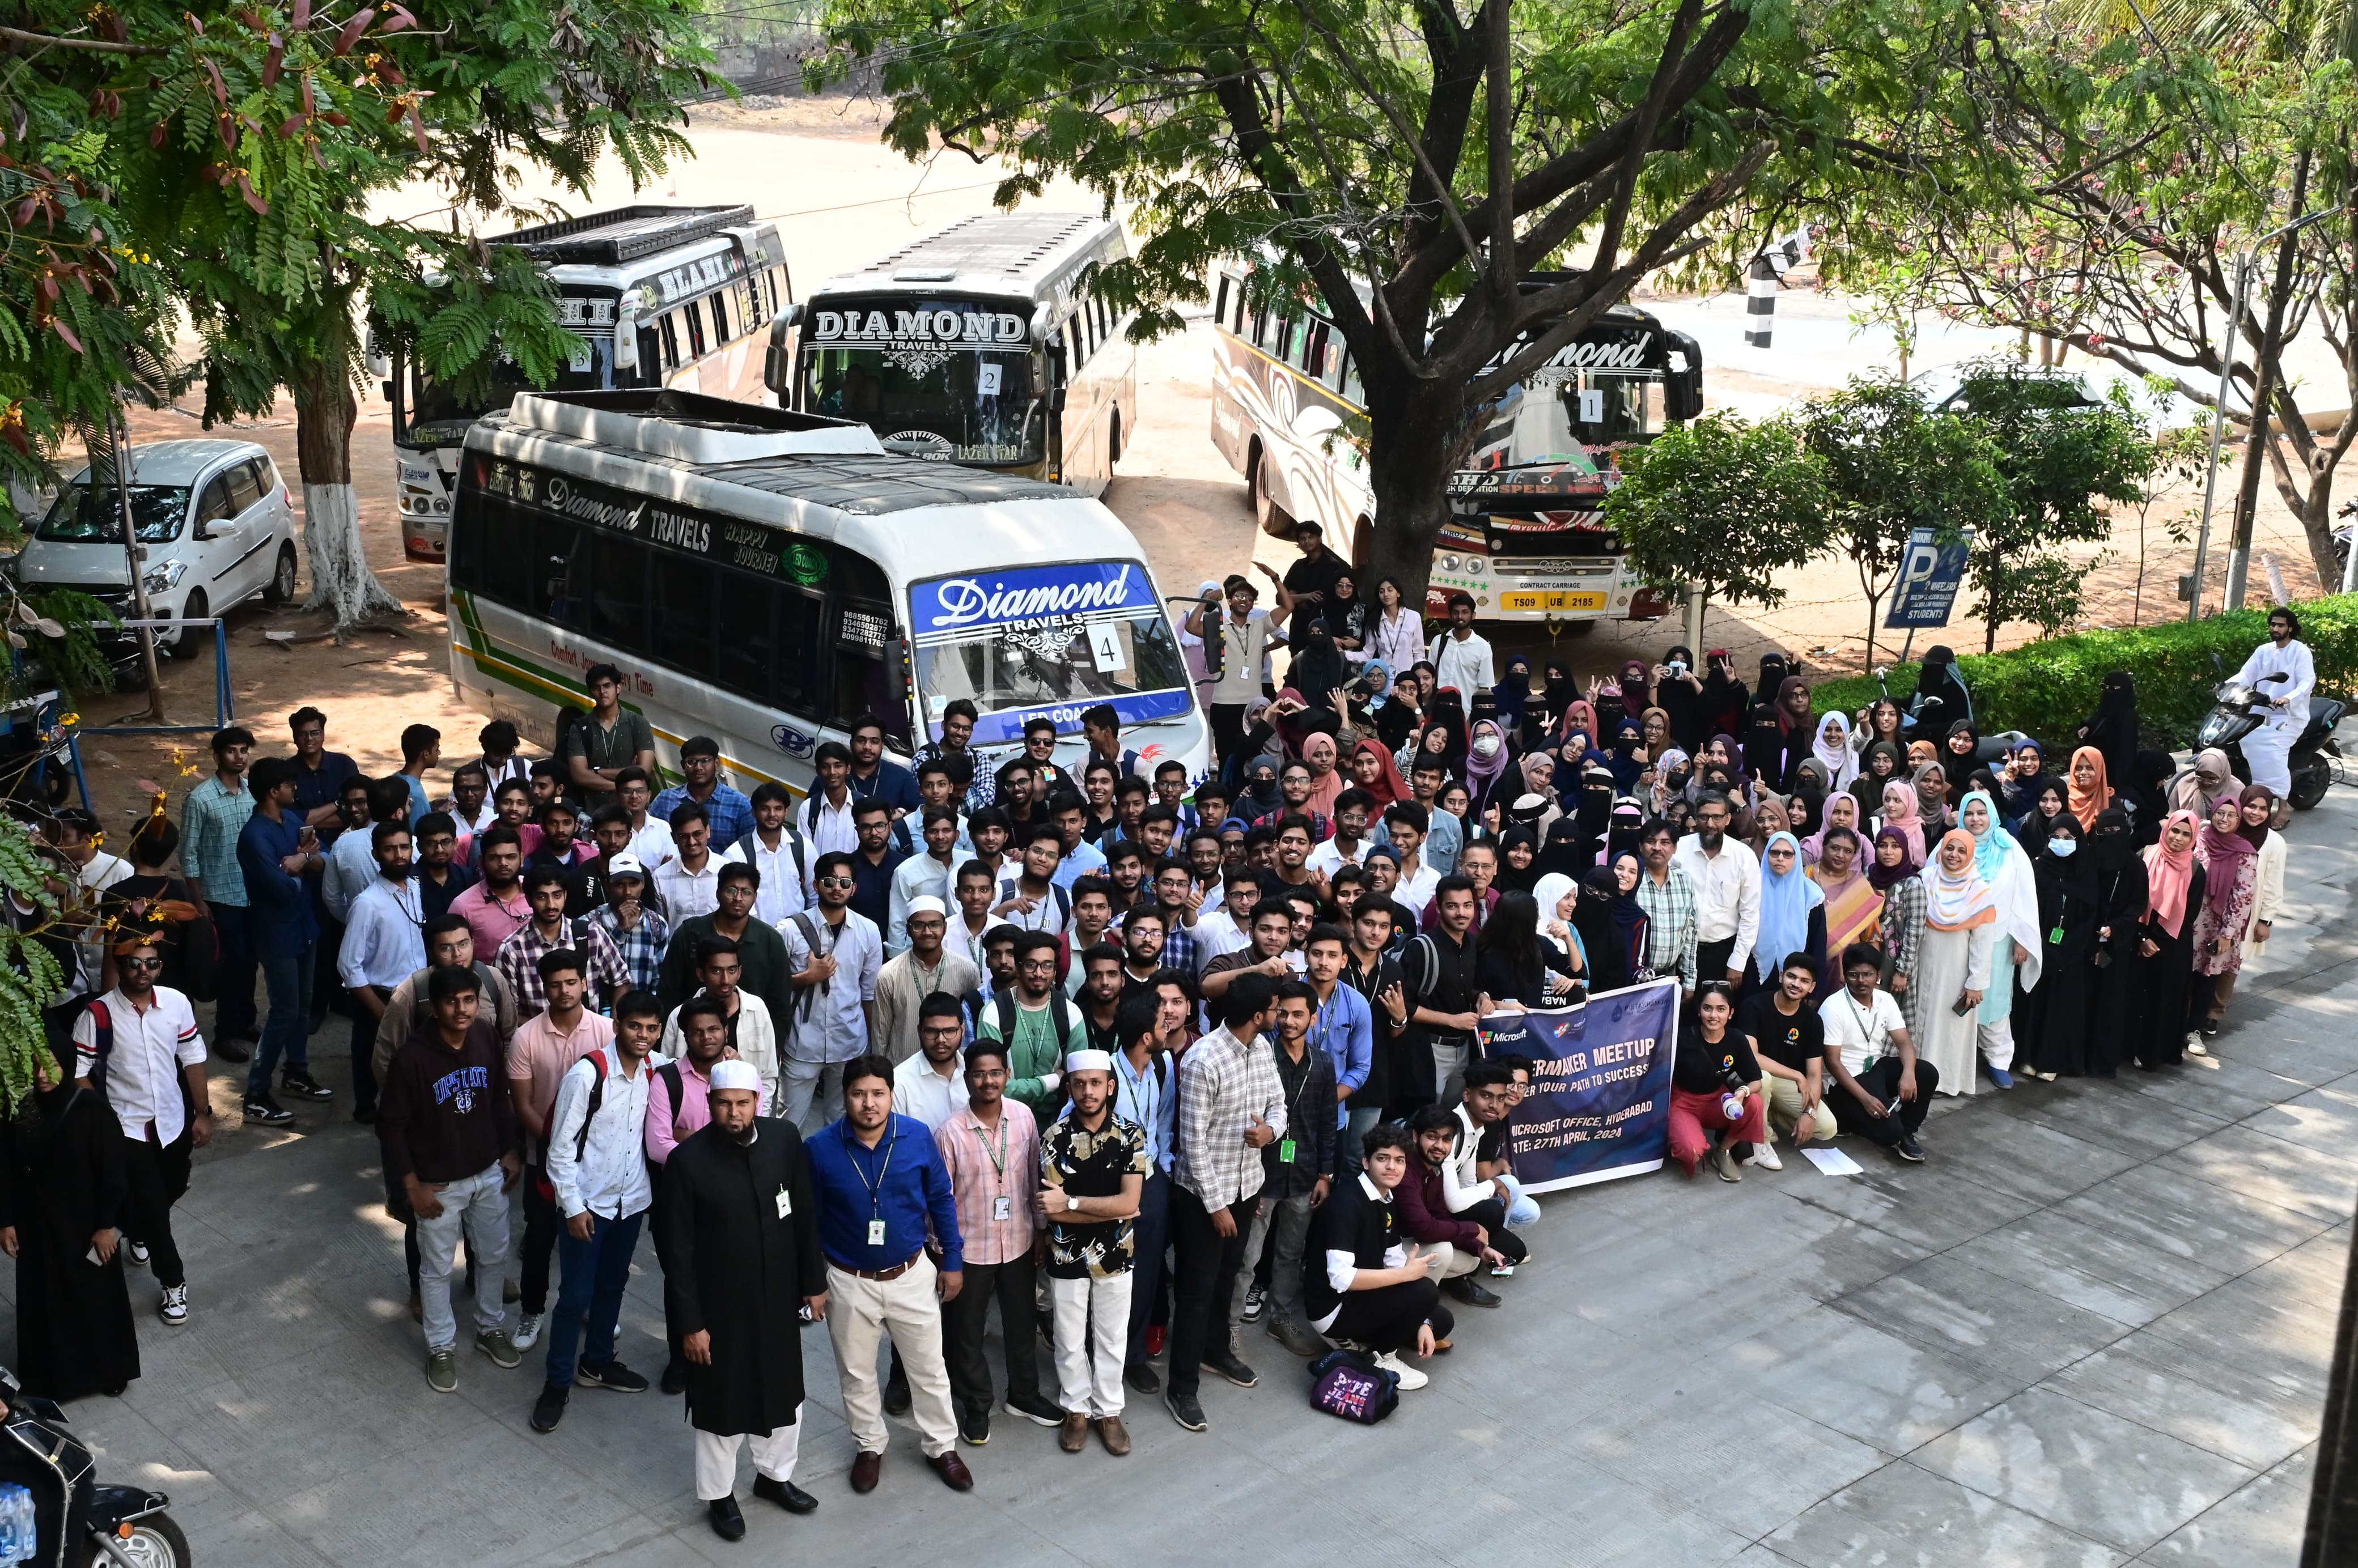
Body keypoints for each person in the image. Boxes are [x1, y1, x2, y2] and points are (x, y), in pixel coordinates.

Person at [663, 1058, 825, 1541]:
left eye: (742, 1103)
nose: (734, 1113)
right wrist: (691, 1324)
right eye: (724, 1103)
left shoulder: (783, 1140)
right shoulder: (686, 1163)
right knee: (721, 1408)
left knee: (785, 1393)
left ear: (759, 1101)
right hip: (720, 1311)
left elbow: (803, 1216)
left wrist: (813, 1283)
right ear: (709, 1103)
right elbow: (678, 1254)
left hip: (777, 1302)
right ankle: (720, 1495)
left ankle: (774, 1477)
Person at [803, 1055, 974, 1493]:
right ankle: (869, 1445)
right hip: (848, 1278)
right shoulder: (821, 1148)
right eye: (859, 1093)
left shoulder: (916, 1137)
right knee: (856, 1372)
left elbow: (942, 1200)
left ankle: (941, 1444)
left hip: (911, 1272)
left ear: (891, 1094)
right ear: (845, 1096)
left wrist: (951, 1260)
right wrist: (812, 1283)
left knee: (929, 1367)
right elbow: (807, 1221)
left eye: (878, 1093)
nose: (868, 1103)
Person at [377, 966, 521, 1392]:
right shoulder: (413, 1058)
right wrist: (412, 1186)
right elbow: (391, 1126)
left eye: (469, 1000)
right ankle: (441, 1346)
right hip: (439, 1183)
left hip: (487, 1172)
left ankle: (490, 1327)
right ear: (435, 1007)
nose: (461, 1009)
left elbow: (499, 1098)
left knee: (494, 1256)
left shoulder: (484, 1036)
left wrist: (511, 1150)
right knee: (437, 1269)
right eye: (451, 1001)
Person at [529, 981, 657, 1433]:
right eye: (635, 1025)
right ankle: (557, 1382)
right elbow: (559, 1150)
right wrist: (573, 1207)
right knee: (574, 1297)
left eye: (652, 1028)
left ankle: (598, 1363)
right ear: (617, 1024)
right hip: (588, 1207)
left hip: (631, 1203)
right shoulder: (587, 1075)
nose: (643, 1035)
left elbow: (698, 1072)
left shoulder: (655, 1071)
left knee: (613, 1286)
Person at [1164, 973, 1287, 1431]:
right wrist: (1216, 1207)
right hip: (1203, 1197)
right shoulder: (1203, 1059)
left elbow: (1279, 1104)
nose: (1278, 1015)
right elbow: (1191, 1142)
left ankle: (1216, 1352)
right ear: (1258, 1016)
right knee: (1195, 1293)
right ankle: (1182, 1386)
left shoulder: (1263, 1049)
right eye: (1274, 1008)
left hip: (1246, 1186)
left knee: (1228, 1277)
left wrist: (1270, 1132)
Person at [70, 934, 209, 1329]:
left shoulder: (177, 1004)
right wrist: (104, 1119)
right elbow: (78, 1074)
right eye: (134, 963)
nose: (143, 970)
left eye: (151, 963)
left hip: (173, 1123)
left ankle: (135, 1228)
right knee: (154, 1208)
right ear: (119, 965)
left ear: (160, 968)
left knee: (172, 1188)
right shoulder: (97, 1015)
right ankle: (173, 1281)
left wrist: (203, 1112)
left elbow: (193, 1057)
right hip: (127, 1130)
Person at [932, 1036, 1057, 1446]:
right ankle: (976, 1404)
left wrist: (1041, 1230)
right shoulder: (950, 1133)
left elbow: (1034, 1179)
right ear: (967, 1078)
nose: (988, 1080)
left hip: (1018, 1241)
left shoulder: (1023, 1118)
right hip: (972, 1250)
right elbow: (940, 1200)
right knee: (967, 1333)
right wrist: (945, 1256)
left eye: (995, 1072)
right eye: (979, 1073)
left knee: (1021, 1323)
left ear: (1007, 1074)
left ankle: (1024, 1394)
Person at [0, 1036, 139, 1399]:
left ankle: (109, 1371)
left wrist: (107, 1226)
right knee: (45, 1301)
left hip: (85, 1226)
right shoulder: (22, 1109)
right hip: (37, 1225)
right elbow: (7, 1169)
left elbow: (113, 1173)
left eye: (52, 1065)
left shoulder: (91, 1112)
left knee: (95, 1298)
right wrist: (6, 1220)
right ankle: (52, 1381)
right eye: (36, 1065)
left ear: (68, 1064)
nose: (43, 1075)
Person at [1036, 1043, 1151, 1455]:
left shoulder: (1131, 1135)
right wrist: (1081, 1211)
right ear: (1069, 1086)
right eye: (1080, 1083)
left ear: (1110, 1086)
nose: (1088, 1091)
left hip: (1116, 1256)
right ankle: (1076, 1408)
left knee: (1111, 1336)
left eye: (1096, 1083)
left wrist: (1070, 1204)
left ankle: (1108, 1410)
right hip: (1066, 1255)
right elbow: (1051, 1213)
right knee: (1068, 1337)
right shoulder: (1053, 1137)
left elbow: (1130, 1204)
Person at [1304, 1123, 1452, 1391]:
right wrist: (1407, 1277)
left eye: (1399, 1161)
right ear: (1366, 1162)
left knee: (1440, 1320)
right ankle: (1382, 1358)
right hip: (1333, 1309)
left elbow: (1394, 1258)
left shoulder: (1386, 1197)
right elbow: (1341, 1278)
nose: (1391, 1167)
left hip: (1363, 1298)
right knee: (1425, 1291)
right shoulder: (1347, 1202)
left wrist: (1420, 1319)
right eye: (1382, 1159)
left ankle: (1367, 1344)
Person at [1239, 980, 1337, 1357]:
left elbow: (1329, 1121)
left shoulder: (1324, 1063)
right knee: (1248, 1253)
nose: (1289, 1020)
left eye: (1299, 1014)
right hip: (1260, 1175)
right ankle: (1228, 1324)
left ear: (1314, 1018)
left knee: (1291, 1252)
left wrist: (1326, 1174)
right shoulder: (1261, 1057)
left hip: (1304, 1173)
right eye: (1284, 1012)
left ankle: (1280, 1316)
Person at [237, 757, 327, 1125]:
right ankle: (256, 1093)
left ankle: (296, 1072)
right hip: (276, 935)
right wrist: (303, 862)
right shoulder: (253, 836)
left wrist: (303, 857)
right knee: (283, 1011)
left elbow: (319, 864)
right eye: (290, 784)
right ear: (274, 791)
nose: (296, 788)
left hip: (305, 926)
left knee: (303, 1005)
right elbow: (284, 887)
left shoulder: (292, 821)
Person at [778, 852, 884, 1131]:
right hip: (802, 1042)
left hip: (849, 1041)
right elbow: (771, 984)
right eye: (829, 880)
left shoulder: (869, 931)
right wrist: (807, 977)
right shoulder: (789, 929)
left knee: (841, 1122)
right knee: (789, 1121)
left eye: (845, 882)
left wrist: (873, 1046)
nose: (837, 887)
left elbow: (869, 993)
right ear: (815, 885)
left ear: (854, 889)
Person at [339, 821, 429, 1124]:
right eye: (390, 849)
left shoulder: (415, 888)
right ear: (377, 855)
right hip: (381, 995)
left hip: (417, 991)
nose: (399, 855)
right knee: (372, 1058)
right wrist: (380, 1009)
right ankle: (368, 1110)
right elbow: (348, 965)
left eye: (404, 847)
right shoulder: (367, 903)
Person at [179, 725, 257, 1053]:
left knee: (251, 962)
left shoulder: (254, 791)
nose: (239, 757)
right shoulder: (200, 799)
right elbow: (188, 853)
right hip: (219, 897)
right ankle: (225, 1034)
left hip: (253, 893)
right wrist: (198, 901)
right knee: (229, 965)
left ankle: (246, 1021)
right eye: (231, 751)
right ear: (217, 756)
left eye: (243, 750)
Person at [1818, 944, 1935, 1159]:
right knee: (1888, 1133)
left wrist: (1909, 1074)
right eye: (1854, 975)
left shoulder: (1885, 1000)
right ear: (1845, 976)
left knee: (1926, 1073)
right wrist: (1866, 1099)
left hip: (1876, 1068)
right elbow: (1833, 1063)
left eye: (1868, 974)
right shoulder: (1832, 1007)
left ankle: (1907, 1132)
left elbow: (1904, 1042)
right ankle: (1844, 1115)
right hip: (1846, 1079)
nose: (1861, 981)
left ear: (1878, 975)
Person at [1958, 789, 2041, 1089]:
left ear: (1992, 815)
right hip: (1956, 940)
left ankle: (1997, 1059)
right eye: (1969, 813)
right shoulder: (1952, 844)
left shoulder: (2009, 848)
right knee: (1954, 1000)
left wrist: (2022, 939)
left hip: (1998, 938)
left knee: (1993, 1002)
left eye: (1982, 813)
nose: (1976, 819)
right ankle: (1956, 1060)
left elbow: (2024, 896)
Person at [1909, 830, 2000, 1096]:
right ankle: (1912, 1074)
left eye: (1962, 851)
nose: (1954, 856)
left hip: (1956, 970)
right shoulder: (1926, 880)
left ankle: (1942, 1080)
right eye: (1950, 848)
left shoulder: (1979, 891)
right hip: (1922, 962)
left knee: (1947, 1024)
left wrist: (1976, 983)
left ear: (1971, 855)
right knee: (1918, 1018)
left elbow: (1983, 943)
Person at [2014, 813, 2100, 1080]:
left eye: (2068, 838)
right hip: (2038, 949)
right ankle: (2027, 1056)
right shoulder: (2037, 868)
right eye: (2056, 837)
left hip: (2071, 955)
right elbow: (2025, 908)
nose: (2061, 843)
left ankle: (2052, 1061)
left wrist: (2069, 949)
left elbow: (2090, 917)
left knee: (2061, 1007)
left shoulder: (2086, 872)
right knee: (2033, 1004)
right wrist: (2037, 944)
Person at [657, 862, 792, 1029]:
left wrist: (774, 1047)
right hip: (695, 1037)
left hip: (752, 1039)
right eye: (731, 891)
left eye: (747, 892)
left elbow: (780, 1005)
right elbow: (668, 993)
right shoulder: (689, 933)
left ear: (755, 897)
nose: (738, 898)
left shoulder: (771, 940)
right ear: (718, 893)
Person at [977, 930, 1088, 1118]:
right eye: (1031, 965)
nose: (1039, 973)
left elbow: (1079, 1081)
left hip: (1058, 1122)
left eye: (1047, 966)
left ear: (1054, 971)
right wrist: (1052, 1081)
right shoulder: (994, 1013)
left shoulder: (1070, 1014)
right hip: (1006, 1119)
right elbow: (994, 1086)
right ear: (1018, 969)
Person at [1186, 571, 1290, 771]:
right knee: (1227, 757)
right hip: (1224, 704)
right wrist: (1205, 600)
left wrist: (1275, 578)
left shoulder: (1260, 623)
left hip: (1254, 705)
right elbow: (1192, 627)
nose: (1245, 600)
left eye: (1250, 598)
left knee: (1257, 756)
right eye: (1240, 596)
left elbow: (1288, 607)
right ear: (1230, 601)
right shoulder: (1219, 623)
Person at [1666, 981, 1768, 1180]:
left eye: (1721, 1009)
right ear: (1699, 1011)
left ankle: (1723, 1152)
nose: (1714, 1016)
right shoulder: (1682, 1037)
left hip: (1717, 1101)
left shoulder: (1737, 1039)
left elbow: (1757, 1081)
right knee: (1692, 1152)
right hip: (1683, 1103)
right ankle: (1678, 1136)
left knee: (1754, 1103)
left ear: (1731, 1013)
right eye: (1707, 1008)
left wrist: (1742, 1093)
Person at [1402, 877, 1486, 1112]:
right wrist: (1451, 1019)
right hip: (1429, 1050)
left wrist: (1482, 997)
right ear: (1438, 908)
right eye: (1453, 906)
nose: (1461, 913)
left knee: (1454, 1118)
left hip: (1465, 1049)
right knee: (1426, 1118)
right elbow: (1405, 1006)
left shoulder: (1472, 944)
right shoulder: (1421, 948)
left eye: (1467, 905)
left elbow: (1469, 986)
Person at [2132, 810, 2206, 1070]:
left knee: (2163, 1000)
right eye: (2175, 830)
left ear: (2194, 838)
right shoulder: (2146, 855)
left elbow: (2190, 914)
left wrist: (2156, 942)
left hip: (2172, 944)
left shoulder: (2195, 870)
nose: (2178, 838)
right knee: (2134, 995)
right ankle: (2128, 1048)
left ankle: (2154, 1053)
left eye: (2187, 834)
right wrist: (2141, 938)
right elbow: (2133, 900)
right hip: (2138, 937)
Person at [1742, 954, 1837, 1148]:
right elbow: (1752, 1056)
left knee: (1828, 1128)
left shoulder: (1813, 1021)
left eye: (1804, 981)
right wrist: (1797, 1076)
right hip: (1752, 1076)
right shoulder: (1753, 1005)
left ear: (1812, 987)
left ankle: (1769, 1114)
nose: (1796, 984)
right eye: (1791, 977)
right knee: (1764, 1078)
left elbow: (1813, 1074)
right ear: (1781, 976)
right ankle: (1761, 1141)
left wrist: (1810, 1112)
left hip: (1785, 1083)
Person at [2188, 793, 2260, 1048]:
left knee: (2206, 977)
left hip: (2218, 926)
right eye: (2220, 813)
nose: (2224, 819)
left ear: (2239, 819)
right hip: (2189, 918)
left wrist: (2228, 933)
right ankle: (2173, 1026)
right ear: (2213, 813)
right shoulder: (2198, 840)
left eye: (2231, 815)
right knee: (2181, 974)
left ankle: (2194, 1030)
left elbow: (2243, 896)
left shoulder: (2245, 853)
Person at [874, 898, 979, 1064]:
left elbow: (973, 1027)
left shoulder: (967, 971)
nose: (927, 932)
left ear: (945, 928)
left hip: (952, 1070)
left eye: (934, 924)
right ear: (908, 930)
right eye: (918, 925)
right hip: (902, 1070)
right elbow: (881, 1033)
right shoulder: (889, 973)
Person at [1674, 793, 1761, 992]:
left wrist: (1738, 962)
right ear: (1696, 818)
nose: (1711, 824)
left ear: (1728, 819)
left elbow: (1750, 915)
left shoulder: (1744, 857)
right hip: (1682, 950)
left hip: (1723, 953)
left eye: (1717, 817)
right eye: (1704, 817)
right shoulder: (1679, 851)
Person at [2233, 606, 2315, 794]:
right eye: (2273, 625)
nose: (2275, 629)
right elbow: (2246, 674)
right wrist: (2225, 686)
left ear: (2290, 628)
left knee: (2272, 752)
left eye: (2280, 625)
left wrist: (2288, 698)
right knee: (2242, 740)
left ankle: (2283, 804)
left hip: (2288, 716)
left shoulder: (2300, 652)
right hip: (2260, 712)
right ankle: (2251, 793)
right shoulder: (2264, 650)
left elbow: (2307, 681)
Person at [1752, 832, 1825, 998]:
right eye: (1775, 852)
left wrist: (1815, 993)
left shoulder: (1811, 896)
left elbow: (1818, 946)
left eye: (1787, 854)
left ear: (1797, 857)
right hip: (1753, 974)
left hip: (1797, 980)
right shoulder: (1752, 889)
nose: (1780, 858)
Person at [586, 855, 669, 997]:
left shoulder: (657, 924)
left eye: (633, 884)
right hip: (604, 1010)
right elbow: (593, 969)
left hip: (644, 1008)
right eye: (620, 885)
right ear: (608, 886)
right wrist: (621, 930)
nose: (628, 892)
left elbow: (660, 977)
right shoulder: (592, 921)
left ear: (643, 884)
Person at [892, 993, 970, 1132]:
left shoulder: (976, 1074)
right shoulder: (899, 1081)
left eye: (950, 1031)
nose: (941, 1040)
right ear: (919, 1031)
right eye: (932, 1032)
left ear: (962, 1030)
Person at [1427, 593, 1495, 694]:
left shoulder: (1483, 647)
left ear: (1473, 616)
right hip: (1438, 707)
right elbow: (1429, 676)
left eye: (1465, 612)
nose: (1460, 617)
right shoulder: (1438, 641)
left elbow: (1485, 687)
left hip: (1466, 708)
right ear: (1450, 616)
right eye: (1456, 613)